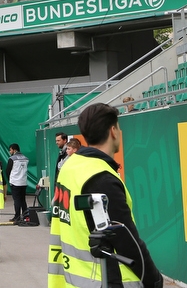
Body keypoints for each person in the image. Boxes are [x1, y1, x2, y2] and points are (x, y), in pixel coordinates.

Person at [48, 104, 163, 288]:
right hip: (108, 280)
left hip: (75, 279)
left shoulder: (70, 166)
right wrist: (154, 279)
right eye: (118, 126)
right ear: (113, 131)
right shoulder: (101, 178)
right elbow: (127, 241)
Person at [5, 143, 29, 225]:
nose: (10, 151)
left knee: (17, 200)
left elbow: (8, 170)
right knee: (23, 200)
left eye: (10, 150)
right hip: (24, 182)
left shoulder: (12, 159)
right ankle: (26, 216)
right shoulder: (26, 158)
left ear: (14, 150)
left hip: (15, 182)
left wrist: (10, 179)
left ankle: (17, 217)